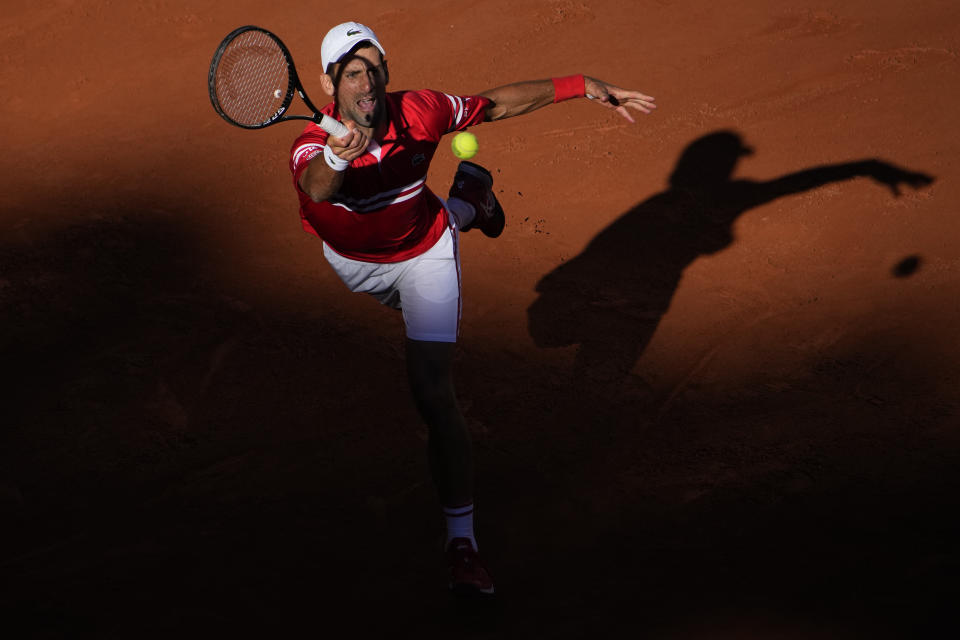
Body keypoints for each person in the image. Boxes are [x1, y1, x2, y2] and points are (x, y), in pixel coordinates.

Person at [288, 21, 656, 596]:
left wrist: (581, 83)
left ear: (386, 71)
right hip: (356, 265)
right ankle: (471, 201)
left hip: (423, 252)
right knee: (433, 253)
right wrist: (337, 159)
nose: (366, 83)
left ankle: (462, 543)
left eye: (374, 69)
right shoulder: (312, 145)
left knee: (433, 394)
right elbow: (316, 189)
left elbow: (496, 105)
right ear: (328, 82)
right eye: (352, 73)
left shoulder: (422, 110)